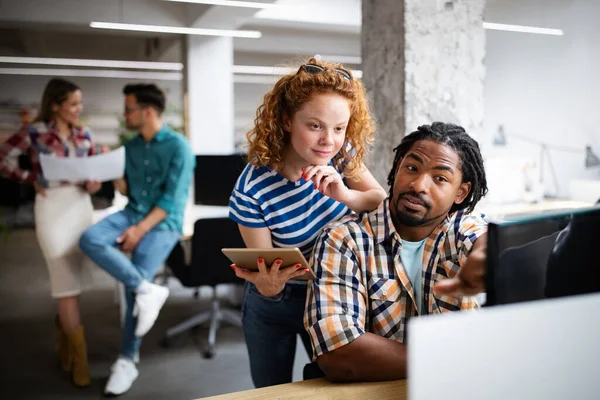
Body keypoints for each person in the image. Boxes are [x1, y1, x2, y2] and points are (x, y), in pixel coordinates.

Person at [228, 57, 387, 388]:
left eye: (339, 128)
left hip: (336, 295)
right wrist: (269, 286)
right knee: (272, 391)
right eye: (315, 126)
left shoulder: (341, 158)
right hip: (277, 302)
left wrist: (345, 194)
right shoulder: (252, 188)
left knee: (337, 386)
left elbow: (378, 200)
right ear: (286, 121)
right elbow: (264, 268)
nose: (328, 140)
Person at [304, 122, 489, 382]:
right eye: (412, 168)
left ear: (461, 192)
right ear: (398, 166)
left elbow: (484, 239)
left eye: (440, 178)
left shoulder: (461, 231)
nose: (419, 185)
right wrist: (453, 361)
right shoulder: (343, 239)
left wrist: (490, 255)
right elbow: (339, 354)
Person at [79, 84, 194, 396]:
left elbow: (171, 201)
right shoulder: (131, 147)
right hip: (131, 212)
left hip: (163, 223)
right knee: (91, 238)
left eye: (128, 109)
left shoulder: (179, 147)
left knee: (134, 284)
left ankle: (127, 359)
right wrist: (109, 182)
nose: (124, 114)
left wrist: (139, 230)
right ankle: (148, 290)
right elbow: (131, 190)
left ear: (148, 111)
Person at [0, 78, 101, 387]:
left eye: (79, 103)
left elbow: (91, 171)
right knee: (66, 284)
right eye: (72, 104)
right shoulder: (34, 132)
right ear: (55, 105)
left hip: (81, 207)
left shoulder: (85, 133)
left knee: (73, 285)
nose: (78, 109)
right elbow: (2, 158)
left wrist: (94, 183)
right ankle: (79, 361)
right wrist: (30, 176)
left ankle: (67, 349)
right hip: (52, 210)